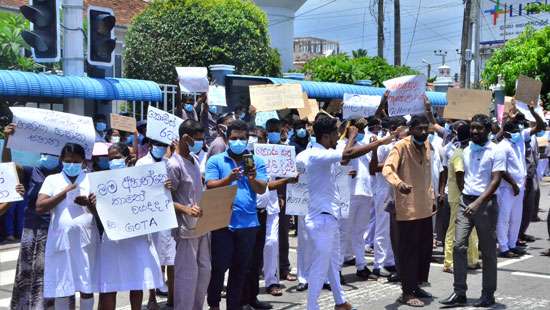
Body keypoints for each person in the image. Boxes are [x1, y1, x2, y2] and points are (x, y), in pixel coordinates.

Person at [304, 116, 395, 310]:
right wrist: (378, 142)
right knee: (320, 266)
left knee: (332, 262)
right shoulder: (315, 155)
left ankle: (340, 301)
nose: (340, 136)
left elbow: (342, 162)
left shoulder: (324, 153)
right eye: (337, 132)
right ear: (326, 136)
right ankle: (312, 306)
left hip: (329, 217)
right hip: (320, 219)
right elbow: (347, 154)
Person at [440, 114, 505, 308]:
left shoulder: (496, 150)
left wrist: (477, 203)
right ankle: (459, 292)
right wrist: (464, 196)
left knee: (487, 251)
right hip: (465, 202)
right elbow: (462, 177)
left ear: (487, 129)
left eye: (479, 128)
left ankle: (488, 294)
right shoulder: (466, 150)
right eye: (473, 128)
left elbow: (496, 180)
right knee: (459, 246)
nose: (475, 131)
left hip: (485, 204)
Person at [205, 120, 269, 310]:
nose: (238, 142)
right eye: (234, 138)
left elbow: (261, 188)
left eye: (242, 138)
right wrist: (229, 179)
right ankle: (214, 304)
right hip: (222, 223)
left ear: (248, 139)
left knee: (241, 269)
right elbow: (210, 185)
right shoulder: (216, 160)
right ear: (227, 139)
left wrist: (252, 177)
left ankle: (234, 306)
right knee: (218, 268)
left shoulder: (257, 162)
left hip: (248, 224)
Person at [92, 143, 164, 310]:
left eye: (117, 157)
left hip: (136, 238)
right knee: (110, 284)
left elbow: (153, 198)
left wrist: (164, 187)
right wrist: (92, 205)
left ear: (126, 158)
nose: (113, 161)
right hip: (112, 239)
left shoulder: (140, 178)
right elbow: (97, 213)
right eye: (110, 158)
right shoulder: (101, 182)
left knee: (136, 281)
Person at [35, 143, 99, 310]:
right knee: (62, 286)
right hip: (61, 241)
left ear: (84, 162)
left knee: (86, 286)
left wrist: (90, 204)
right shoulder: (52, 180)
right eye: (68, 161)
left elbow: (103, 214)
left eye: (76, 162)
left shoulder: (91, 179)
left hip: (86, 241)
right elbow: (40, 207)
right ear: (61, 160)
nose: (72, 165)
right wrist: (64, 193)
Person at [4, 124, 60, 310]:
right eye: (43, 152)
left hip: (54, 230)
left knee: (48, 274)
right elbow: (8, 167)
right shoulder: (31, 171)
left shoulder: (64, 172)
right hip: (31, 230)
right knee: (28, 275)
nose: (46, 156)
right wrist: (8, 141)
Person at [382, 114, 434, 308]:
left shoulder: (427, 144)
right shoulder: (401, 146)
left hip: (425, 207)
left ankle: (416, 285)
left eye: (425, 128)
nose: (423, 132)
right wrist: (399, 183)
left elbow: (428, 173)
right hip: (406, 209)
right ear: (410, 129)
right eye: (419, 128)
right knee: (408, 251)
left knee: (423, 250)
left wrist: (433, 196)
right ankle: (406, 292)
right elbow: (387, 169)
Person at [166, 119, 210, 310]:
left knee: (204, 272)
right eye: (197, 139)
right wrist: (185, 209)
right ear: (185, 138)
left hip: (201, 225)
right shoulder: (174, 165)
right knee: (187, 276)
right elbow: (164, 200)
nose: (200, 143)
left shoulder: (196, 159)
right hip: (185, 228)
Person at [135, 139, 175, 309]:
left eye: (163, 145)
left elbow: (177, 187)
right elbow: (136, 188)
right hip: (149, 216)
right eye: (157, 145)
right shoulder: (141, 163)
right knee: (153, 258)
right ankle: (152, 297)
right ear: (150, 146)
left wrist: (171, 185)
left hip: (168, 215)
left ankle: (172, 299)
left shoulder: (170, 163)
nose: (160, 148)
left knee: (171, 258)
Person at [442, 122, 479, 273]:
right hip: (459, 197)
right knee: (454, 229)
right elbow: (459, 176)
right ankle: (449, 262)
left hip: (465, 196)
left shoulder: (464, 152)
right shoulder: (459, 154)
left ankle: (472, 260)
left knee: (471, 230)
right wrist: (465, 194)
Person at [496, 120, 528, 258]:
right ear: (507, 133)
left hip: (518, 187)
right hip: (506, 188)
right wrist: (514, 184)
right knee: (503, 218)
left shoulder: (515, 145)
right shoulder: (502, 147)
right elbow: (501, 170)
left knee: (516, 218)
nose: (517, 134)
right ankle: (503, 247)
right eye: (514, 132)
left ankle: (512, 244)